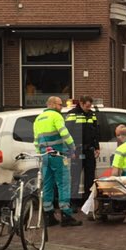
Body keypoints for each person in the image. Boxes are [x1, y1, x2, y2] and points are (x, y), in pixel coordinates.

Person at [34, 95, 80, 227]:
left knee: (47, 184)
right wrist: (72, 147)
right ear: (53, 104)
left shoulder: (38, 119)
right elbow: (64, 133)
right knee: (63, 183)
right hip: (58, 155)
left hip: (45, 156)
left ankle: (49, 215)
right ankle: (66, 214)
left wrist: (40, 153)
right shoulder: (56, 116)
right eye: (60, 105)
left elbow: (36, 139)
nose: (62, 107)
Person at [64, 95, 100, 203]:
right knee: (75, 178)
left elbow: (95, 131)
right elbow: (67, 132)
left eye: (90, 106)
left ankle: (88, 202)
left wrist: (97, 147)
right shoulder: (72, 114)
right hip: (77, 150)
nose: (89, 108)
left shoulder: (92, 114)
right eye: (87, 106)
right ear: (81, 103)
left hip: (89, 150)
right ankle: (73, 202)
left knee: (90, 178)